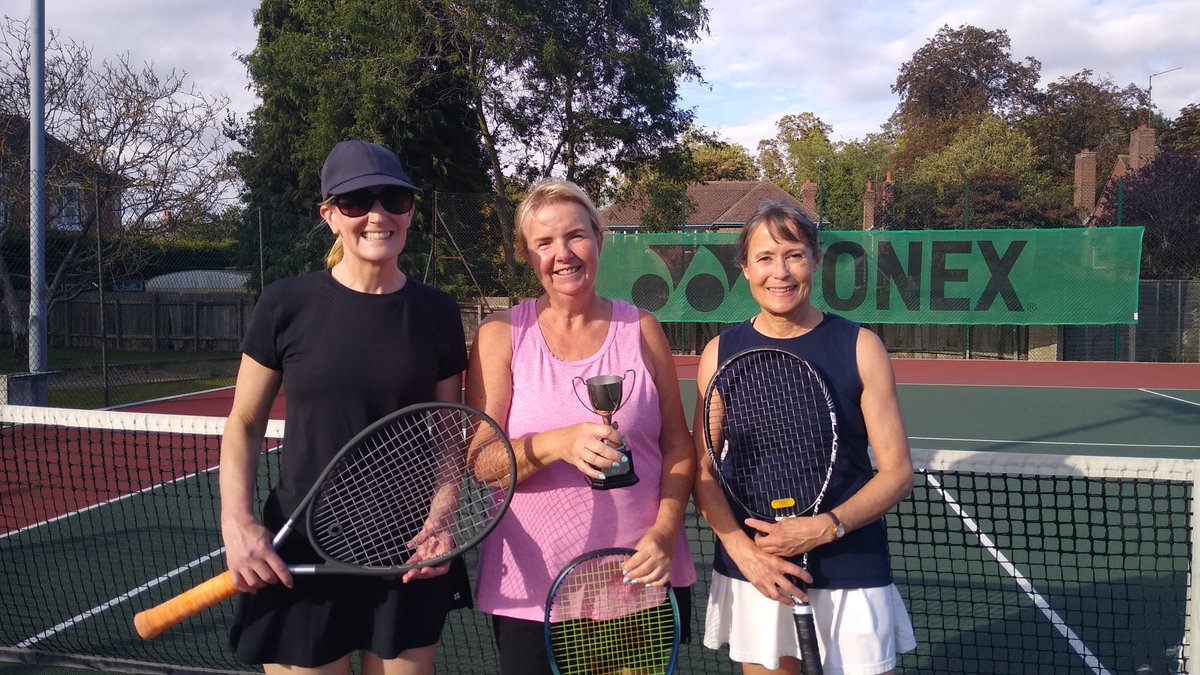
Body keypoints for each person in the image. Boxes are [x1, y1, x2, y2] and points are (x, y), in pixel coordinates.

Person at [219, 140, 470, 675]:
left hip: (409, 553)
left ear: (409, 212)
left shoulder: (438, 312)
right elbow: (243, 423)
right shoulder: (285, 304)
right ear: (330, 216)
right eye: (357, 203)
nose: (377, 215)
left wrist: (441, 519)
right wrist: (237, 523)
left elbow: (451, 431)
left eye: (393, 200)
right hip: (302, 548)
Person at [466, 179, 697, 675]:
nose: (563, 254)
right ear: (528, 256)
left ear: (598, 239)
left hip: (641, 584)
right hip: (533, 593)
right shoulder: (501, 335)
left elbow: (678, 443)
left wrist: (664, 530)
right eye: (544, 243)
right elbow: (483, 463)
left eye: (575, 236)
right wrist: (557, 444)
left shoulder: (642, 328)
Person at [691, 201, 917, 675]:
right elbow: (703, 471)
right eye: (766, 257)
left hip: (849, 563)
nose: (781, 272)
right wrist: (746, 554)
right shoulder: (718, 355)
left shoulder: (861, 347)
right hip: (758, 570)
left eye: (793, 255)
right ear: (746, 268)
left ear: (815, 259)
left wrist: (826, 525)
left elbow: (896, 473)